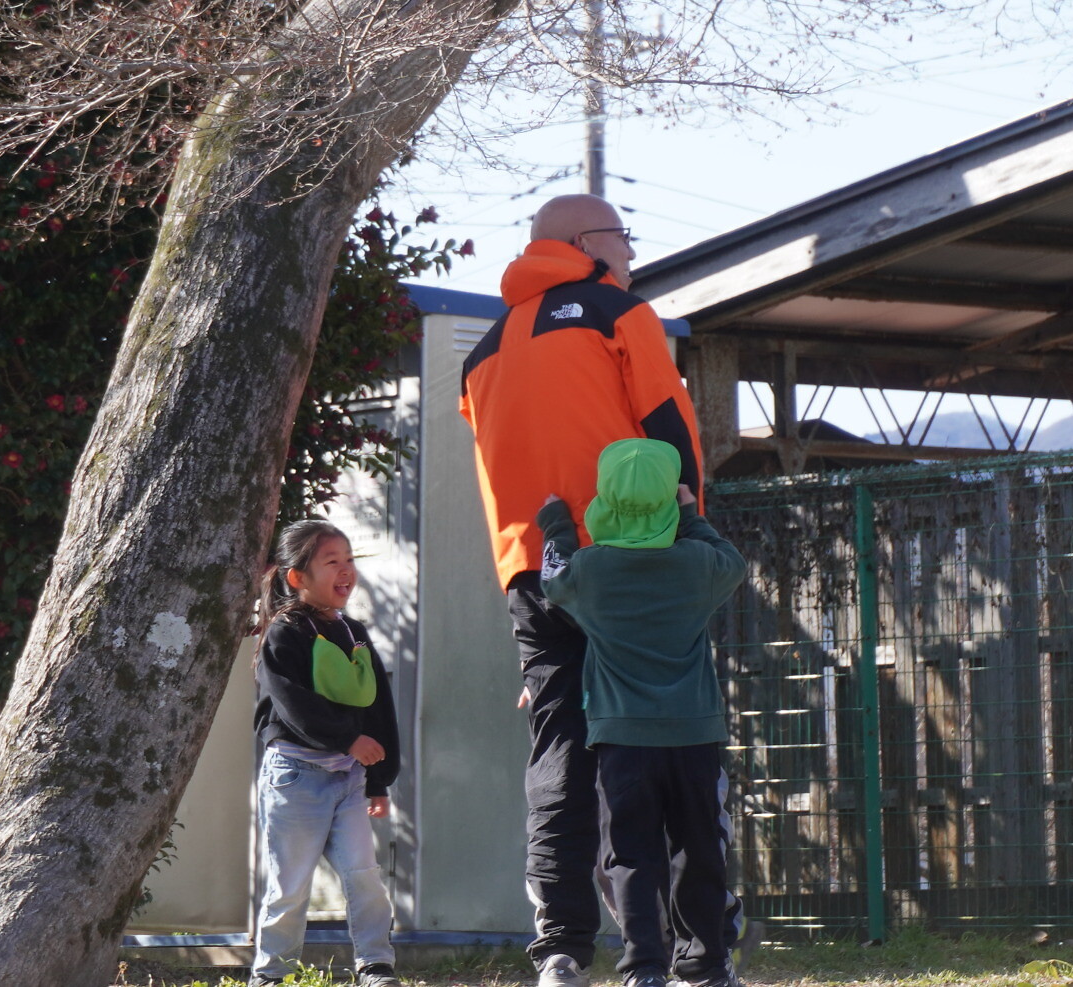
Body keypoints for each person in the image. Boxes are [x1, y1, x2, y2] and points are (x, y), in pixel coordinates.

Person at [459, 193, 713, 987]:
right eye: (623, 236)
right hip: (631, 555)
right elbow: (670, 430)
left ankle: (561, 946)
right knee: (662, 742)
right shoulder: (617, 313)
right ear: (585, 242)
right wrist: (691, 537)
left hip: (532, 569)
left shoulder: (483, 352)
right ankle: (680, 948)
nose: (632, 251)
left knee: (560, 748)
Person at [536, 438, 747, 987]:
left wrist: (556, 524)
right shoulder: (698, 564)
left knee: (630, 855)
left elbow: (551, 578)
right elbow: (732, 562)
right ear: (668, 498)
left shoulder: (590, 570)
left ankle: (644, 967)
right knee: (698, 851)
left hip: (622, 740)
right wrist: (689, 514)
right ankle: (704, 966)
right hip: (693, 735)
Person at [250, 519, 403, 987]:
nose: (345, 570)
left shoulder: (353, 631)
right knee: (290, 886)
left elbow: (376, 705)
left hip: (349, 779)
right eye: (331, 561)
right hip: (295, 779)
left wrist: (378, 780)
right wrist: (346, 740)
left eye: (349, 559)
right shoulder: (284, 632)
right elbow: (291, 703)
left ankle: (375, 965)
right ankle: (271, 974)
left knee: (364, 876)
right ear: (298, 577)